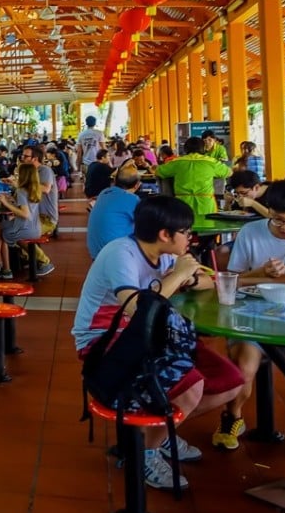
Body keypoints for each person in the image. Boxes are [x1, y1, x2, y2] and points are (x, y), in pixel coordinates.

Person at [72, 196, 243, 490]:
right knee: (191, 388)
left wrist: (187, 277)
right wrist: (178, 274)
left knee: (230, 382)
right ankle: (144, 454)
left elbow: (206, 279)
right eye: (186, 232)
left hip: (156, 335)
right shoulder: (121, 253)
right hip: (106, 339)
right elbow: (138, 309)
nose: (190, 237)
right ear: (165, 234)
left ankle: (159, 433)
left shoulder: (164, 254)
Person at [217, 180, 285, 450]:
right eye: (278, 220)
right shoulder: (251, 232)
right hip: (251, 313)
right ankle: (233, 418)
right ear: (268, 212)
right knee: (244, 367)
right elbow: (232, 280)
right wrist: (261, 274)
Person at [0, 162, 42, 280]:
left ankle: (1, 264)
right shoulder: (34, 189)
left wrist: (6, 203)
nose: (16, 174)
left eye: (18, 173)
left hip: (24, 228)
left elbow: (25, 214)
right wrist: (13, 199)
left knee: (0, 230)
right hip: (36, 228)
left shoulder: (22, 191)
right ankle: (1, 265)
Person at [156, 136, 232, 217]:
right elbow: (228, 172)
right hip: (205, 203)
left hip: (183, 204)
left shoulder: (177, 162)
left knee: (184, 227)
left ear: (185, 149)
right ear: (203, 148)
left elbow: (159, 171)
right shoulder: (211, 162)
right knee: (207, 226)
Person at [86, 163, 141, 259]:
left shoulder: (104, 193)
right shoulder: (132, 199)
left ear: (115, 181)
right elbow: (147, 225)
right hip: (114, 256)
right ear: (137, 185)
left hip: (95, 253)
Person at [19, 145, 56, 275]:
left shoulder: (44, 170)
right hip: (33, 216)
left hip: (46, 217)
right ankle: (26, 258)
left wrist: (21, 184)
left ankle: (45, 262)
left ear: (35, 159)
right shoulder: (29, 173)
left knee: (19, 234)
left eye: (25, 156)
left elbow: (46, 189)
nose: (22, 158)